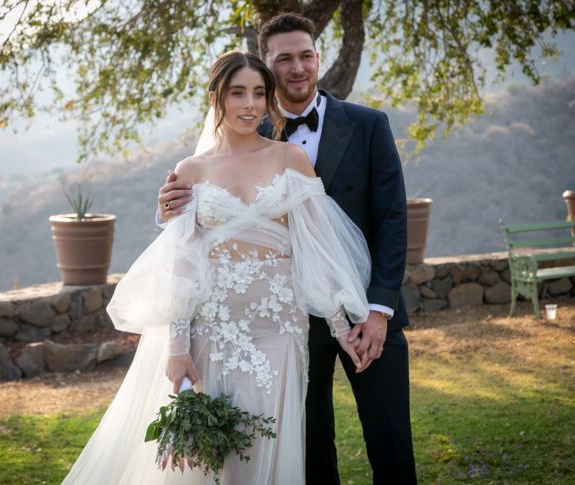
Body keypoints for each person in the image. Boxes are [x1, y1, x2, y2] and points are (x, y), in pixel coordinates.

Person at [62, 50, 374, 485]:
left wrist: (342, 329)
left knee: (266, 444)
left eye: (260, 93)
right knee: (216, 456)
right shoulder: (191, 169)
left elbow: (315, 250)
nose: (250, 104)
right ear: (217, 98)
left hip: (279, 329)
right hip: (212, 327)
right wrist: (177, 346)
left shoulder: (291, 160)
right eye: (238, 93)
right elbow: (183, 263)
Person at [157, 13, 417, 485]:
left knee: (390, 439)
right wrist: (169, 204)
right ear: (267, 67)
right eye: (283, 60)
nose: (297, 68)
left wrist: (374, 310)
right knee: (306, 449)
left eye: (305, 56)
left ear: (318, 58)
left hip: (361, 314)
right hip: (284, 321)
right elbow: (194, 233)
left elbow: (392, 220)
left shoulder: (368, 124)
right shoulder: (248, 134)